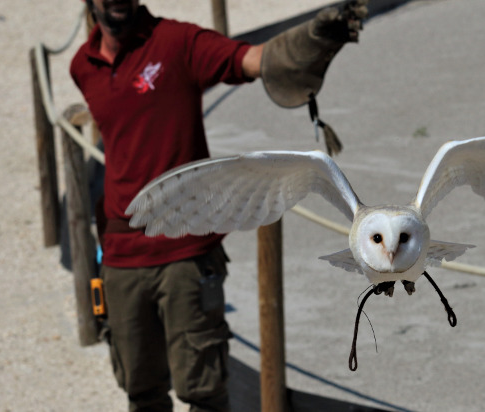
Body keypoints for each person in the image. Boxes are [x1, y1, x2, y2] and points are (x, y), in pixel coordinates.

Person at [70, 0, 367, 410]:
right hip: (121, 259)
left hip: (185, 255)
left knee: (204, 395)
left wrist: (310, 37)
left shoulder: (176, 42)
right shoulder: (81, 67)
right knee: (140, 394)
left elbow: (250, 60)